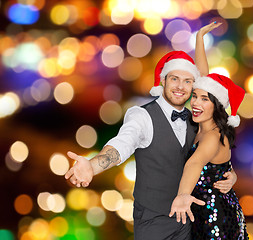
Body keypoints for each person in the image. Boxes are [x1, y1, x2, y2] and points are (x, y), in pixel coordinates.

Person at [64, 22, 237, 240]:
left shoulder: (197, 117)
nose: (180, 87)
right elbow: (122, 145)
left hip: (193, 220)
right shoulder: (142, 116)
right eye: (174, 79)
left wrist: (228, 175)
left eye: (187, 81)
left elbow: (206, 85)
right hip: (155, 224)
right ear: (162, 81)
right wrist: (93, 165)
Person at [168, 72, 249, 239]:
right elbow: (223, 167)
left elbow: (195, 164)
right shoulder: (201, 127)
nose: (196, 103)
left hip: (216, 218)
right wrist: (233, 176)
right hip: (202, 213)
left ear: (217, 105)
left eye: (205, 99)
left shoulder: (213, 136)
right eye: (195, 96)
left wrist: (183, 194)